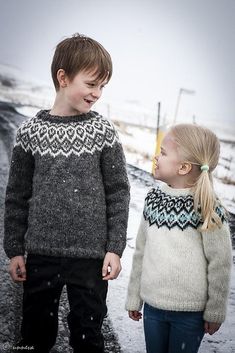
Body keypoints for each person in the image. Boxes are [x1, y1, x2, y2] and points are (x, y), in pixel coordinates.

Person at [4, 33, 130, 353]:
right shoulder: (30, 133)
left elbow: (118, 191)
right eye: (91, 84)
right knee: (35, 334)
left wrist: (114, 248)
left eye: (103, 86)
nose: (97, 94)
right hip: (41, 255)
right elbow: (17, 195)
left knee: (88, 334)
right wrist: (15, 248)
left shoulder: (102, 131)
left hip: (90, 258)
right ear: (63, 78)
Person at [125, 123, 233, 353]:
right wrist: (135, 296)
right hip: (153, 309)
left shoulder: (206, 207)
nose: (156, 156)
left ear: (183, 167)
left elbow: (220, 263)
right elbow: (141, 251)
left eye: (163, 153)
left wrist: (215, 310)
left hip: (190, 315)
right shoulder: (154, 199)